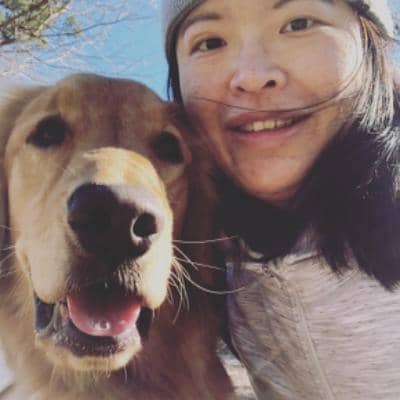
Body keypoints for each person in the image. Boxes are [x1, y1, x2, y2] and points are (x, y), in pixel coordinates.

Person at [161, 0, 400, 399]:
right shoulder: (203, 254)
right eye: (211, 42)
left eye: (298, 23)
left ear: (371, 41)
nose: (253, 76)